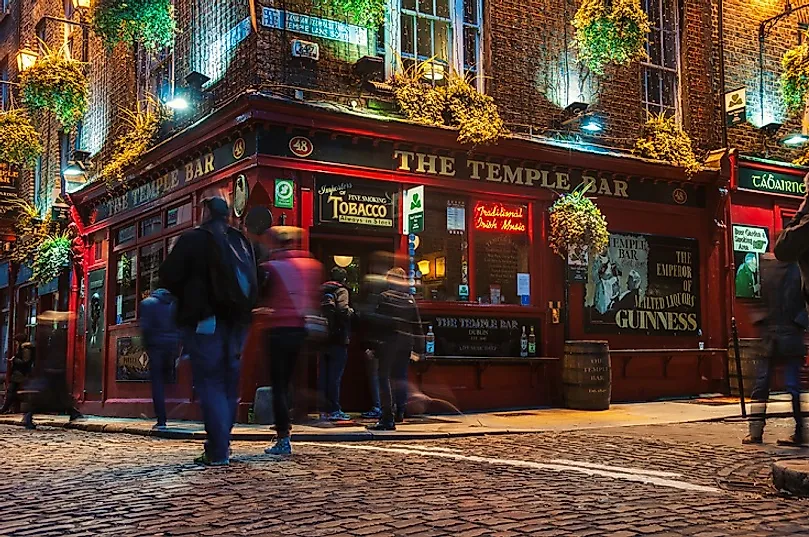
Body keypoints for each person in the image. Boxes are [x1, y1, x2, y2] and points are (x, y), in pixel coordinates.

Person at [159, 197, 260, 466]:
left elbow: (167, 276)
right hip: (238, 323)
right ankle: (221, 444)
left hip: (206, 321)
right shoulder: (240, 240)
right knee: (229, 385)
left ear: (205, 212)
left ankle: (217, 451)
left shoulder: (194, 239)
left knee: (211, 382)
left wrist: (188, 297)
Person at [260, 226, 322, 455]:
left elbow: (260, 295)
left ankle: (283, 437)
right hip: (302, 330)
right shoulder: (312, 266)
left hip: (277, 329)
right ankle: (304, 415)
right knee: (297, 381)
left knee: (279, 386)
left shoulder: (271, 268)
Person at [743, 253, 807, 446]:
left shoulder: (771, 269)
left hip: (776, 335)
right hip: (784, 335)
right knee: (788, 385)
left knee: (768, 385)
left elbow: (760, 302)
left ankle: (757, 432)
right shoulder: (797, 269)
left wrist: (763, 319)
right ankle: (798, 432)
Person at [368, 268, 424, 431]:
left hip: (388, 343)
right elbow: (417, 325)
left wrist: (372, 346)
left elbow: (378, 324)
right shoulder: (410, 300)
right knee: (400, 377)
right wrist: (420, 349)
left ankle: (387, 417)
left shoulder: (385, 297)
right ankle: (400, 411)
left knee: (383, 378)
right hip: (406, 344)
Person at [139, 286, 180, 429]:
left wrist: (146, 346)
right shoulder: (173, 304)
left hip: (156, 347)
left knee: (158, 384)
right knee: (172, 382)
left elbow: (145, 328)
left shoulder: (147, 303)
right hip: (172, 346)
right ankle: (178, 411)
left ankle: (161, 419)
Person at [319, 266, 354, 421]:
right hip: (338, 338)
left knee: (324, 375)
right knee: (335, 376)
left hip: (322, 337)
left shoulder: (321, 290)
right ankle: (334, 409)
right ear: (344, 279)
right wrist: (352, 313)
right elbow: (343, 310)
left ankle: (323, 409)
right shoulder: (342, 291)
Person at [1, 334, 35, 414]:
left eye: (16, 342)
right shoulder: (23, 348)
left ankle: (5, 408)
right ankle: (10, 408)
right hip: (18, 372)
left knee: (11, 390)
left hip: (20, 373)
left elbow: (25, 361)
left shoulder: (25, 348)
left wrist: (14, 359)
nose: (16, 343)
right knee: (13, 391)